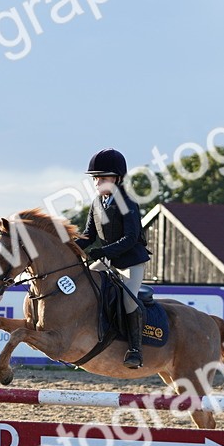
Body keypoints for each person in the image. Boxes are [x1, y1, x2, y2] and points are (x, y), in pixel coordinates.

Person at [76, 148, 152, 368]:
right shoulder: (96, 204)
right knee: (85, 282)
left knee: (129, 298)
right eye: (96, 178)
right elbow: (88, 236)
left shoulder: (128, 203)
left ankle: (135, 349)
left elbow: (131, 238)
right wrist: (69, 248)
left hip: (130, 262)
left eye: (102, 177)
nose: (97, 182)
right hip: (110, 260)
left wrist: (105, 252)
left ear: (118, 178)